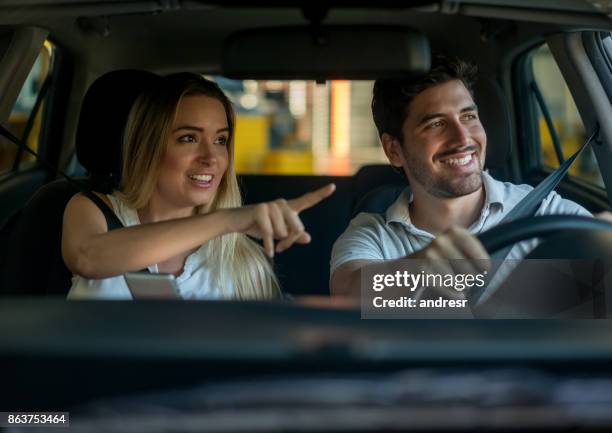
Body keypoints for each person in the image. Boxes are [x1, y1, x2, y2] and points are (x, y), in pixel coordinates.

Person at [330, 55, 611, 303]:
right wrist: (421, 268)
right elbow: (352, 293)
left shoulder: (544, 211)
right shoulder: (375, 236)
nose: (463, 138)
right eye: (436, 124)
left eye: (468, 117)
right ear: (394, 150)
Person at [62, 73, 335, 300]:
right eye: (189, 138)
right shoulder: (95, 210)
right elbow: (88, 258)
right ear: (146, 145)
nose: (211, 158)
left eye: (220, 141)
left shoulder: (244, 263)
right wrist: (227, 220)